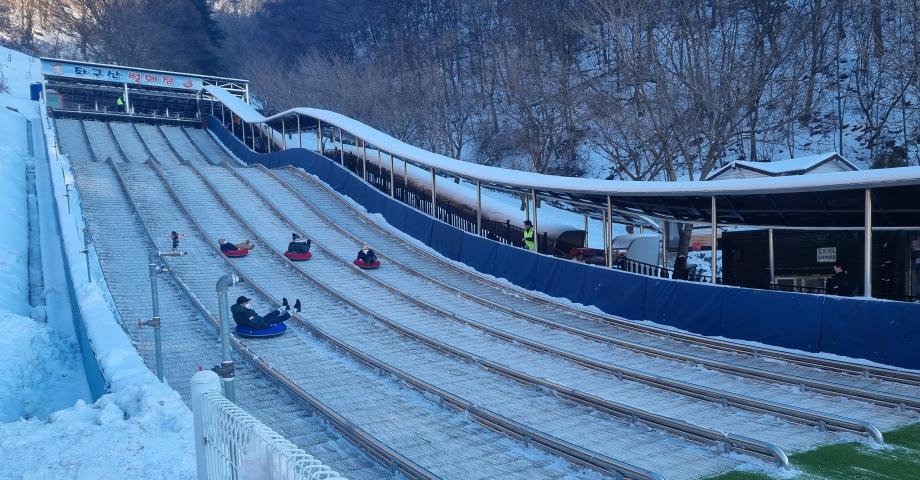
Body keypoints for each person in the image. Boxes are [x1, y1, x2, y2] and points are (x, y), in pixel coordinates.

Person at [231, 296, 301, 330]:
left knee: (270, 315)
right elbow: (253, 323)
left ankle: (284, 307)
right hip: (260, 324)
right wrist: (267, 326)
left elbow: (253, 319)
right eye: (246, 302)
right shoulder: (245, 313)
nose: (248, 303)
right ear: (241, 304)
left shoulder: (240, 309)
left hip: (258, 320)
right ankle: (296, 309)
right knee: (278, 319)